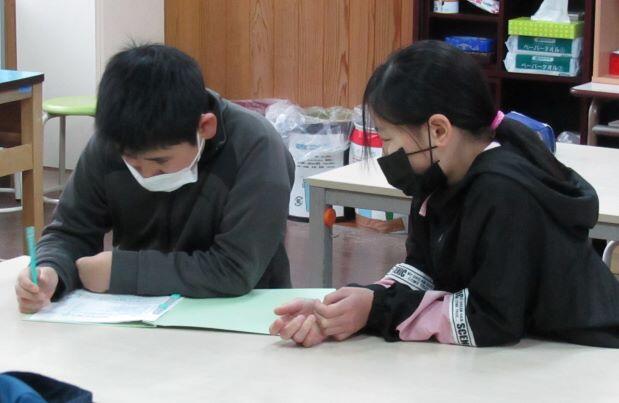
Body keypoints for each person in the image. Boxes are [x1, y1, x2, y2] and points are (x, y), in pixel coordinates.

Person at [270, 40, 619, 348]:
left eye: (387, 138)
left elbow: (490, 319)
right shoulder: (437, 178)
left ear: (438, 130)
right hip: (524, 355)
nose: (385, 153)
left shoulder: (503, 193)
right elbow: (422, 268)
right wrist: (357, 304)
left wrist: (377, 312)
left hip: (581, 354)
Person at [15, 44, 294, 313]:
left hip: (243, 316)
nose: (145, 175)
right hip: (138, 311)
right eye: (132, 163)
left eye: (160, 163)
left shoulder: (256, 147)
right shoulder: (112, 142)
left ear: (205, 127)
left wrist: (121, 272)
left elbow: (235, 269)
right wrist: (51, 269)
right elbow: (71, 232)